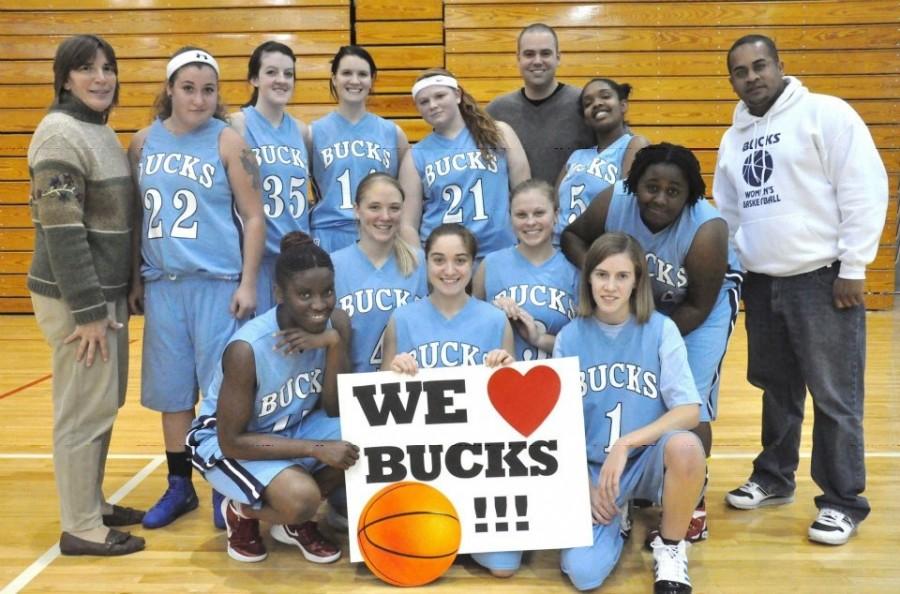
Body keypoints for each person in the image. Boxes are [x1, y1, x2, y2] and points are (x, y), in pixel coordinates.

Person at [713, 34, 888, 545]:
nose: (752, 77)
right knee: (776, 389)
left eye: (760, 66)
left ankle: (842, 501)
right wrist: (737, 272)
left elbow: (863, 187)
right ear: (732, 81)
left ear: (780, 65)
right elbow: (728, 212)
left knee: (835, 395)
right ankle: (774, 477)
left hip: (823, 280)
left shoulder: (825, 114)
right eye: (740, 71)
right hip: (763, 283)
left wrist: (855, 265)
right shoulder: (734, 138)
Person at [562, 143, 743, 544]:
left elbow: (697, 305)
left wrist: (645, 336)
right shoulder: (615, 199)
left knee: (691, 401)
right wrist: (600, 274)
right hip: (639, 299)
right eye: (651, 187)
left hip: (699, 307)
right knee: (634, 388)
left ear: (689, 194)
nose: (660, 198)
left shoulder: (707, 229)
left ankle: (692, 502)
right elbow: (573, 236)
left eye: (673, 191)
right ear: (634, 185)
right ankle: (633, 484)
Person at [128, 46, 265, 530]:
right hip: (164, 285)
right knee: (172, 393)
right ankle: (179, 484)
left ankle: (222, 486)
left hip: (218, 283)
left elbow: (253, 217)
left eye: (208, 89)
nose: (199, 97)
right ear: (169, 89)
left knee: (221, 392)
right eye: (188, 87)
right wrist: (133, 280)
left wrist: (249, 282)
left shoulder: (228, 141)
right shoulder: (143, 143)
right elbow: (136, 219)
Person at [27, 34, 145, 556]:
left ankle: (91, 503)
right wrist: (91, 312)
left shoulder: (96, 129)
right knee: (82, 409)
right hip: (79, 301)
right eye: (86, 68)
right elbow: (64, 233)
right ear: (65, 78)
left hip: (105, 297)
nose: (101, 78)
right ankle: (80, 526)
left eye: (107, 67)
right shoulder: (58, 136)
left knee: (102, 402)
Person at [187, 231, 358, 563]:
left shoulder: (335, 324)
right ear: (280, 293)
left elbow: (337, 408)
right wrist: (315, 448)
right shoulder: (247, 349)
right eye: (305, 294)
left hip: (289, 428)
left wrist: (333, 344)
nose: (319, 304)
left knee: (365, 436)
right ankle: (244, 511)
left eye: (327, 292)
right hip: (223, 444)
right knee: (301, 499)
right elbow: (232, 441)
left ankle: (291, 522)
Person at [556, 232, 704, 593]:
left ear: (637, 280)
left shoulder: (660, 330)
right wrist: (583, 485)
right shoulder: (569, 338)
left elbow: (689, 410)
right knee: (583, 573)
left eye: (622, 276)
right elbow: (558, 427)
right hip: (594, 469)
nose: (610, 286)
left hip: (644, 458)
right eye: (602, 275)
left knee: (686, 446)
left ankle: (670, 547)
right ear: (587, 278)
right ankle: (618, 513)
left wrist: (626, 444)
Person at [399, 68, 530, 260]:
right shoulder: (416, 156)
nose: (433, 105)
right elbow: (407, 224)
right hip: (446, 264)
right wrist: (421, 267)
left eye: (440, 96)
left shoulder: (499, 134)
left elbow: (525, 194)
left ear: (457, 95)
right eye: (424, 102)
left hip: (499, 254)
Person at [230, 41, 312, 314]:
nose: (281, 80)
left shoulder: (302, 132)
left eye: (288, 74)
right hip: (258, 260)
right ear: (254, 78)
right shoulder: (237, 124)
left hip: (295, 261)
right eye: (272, 72)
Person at [310, 45, 409, 253]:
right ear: (334, 78)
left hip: (379, 233)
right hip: (330, 234)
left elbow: (407, 195)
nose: (355, 81)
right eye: (346, 73)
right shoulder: (313, 133)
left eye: (362, 74)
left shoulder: (393, 133)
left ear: (372, 79)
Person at [381, 223, 514, 373]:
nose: (449, 271)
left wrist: (506, 366)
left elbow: (512, 392)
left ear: (472, 263)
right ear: (426, 262)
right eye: (439, 260)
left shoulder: (496, 320)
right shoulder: (401, 319)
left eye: (460, 260)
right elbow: (382, 389)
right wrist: (395, 371)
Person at [473, 179, 579, 362]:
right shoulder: (490, 265)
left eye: (539, 213)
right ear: (510, 218)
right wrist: (491, 312)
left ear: (556, 215)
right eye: (521, 215)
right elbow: (470, 331)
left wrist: (539, 339)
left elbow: (585, 346)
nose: (530, 222)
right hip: (501, 380)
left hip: (558, 383)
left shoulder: (574, 268)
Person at [332, 172, 427, 373]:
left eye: (394, 208)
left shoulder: (421, 262)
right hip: (354, 390)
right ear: (357, 210)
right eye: (374, 207)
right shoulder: (333, 266)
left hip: (414, 385)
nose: (385, 217)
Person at [486, 23, 595, 184]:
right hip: (516, 209)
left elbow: (620, 148)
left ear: (558, 58)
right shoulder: (496, 111)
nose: (537, 61)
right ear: (518, 59)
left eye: (545, 53)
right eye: (529, 54)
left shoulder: (585, 103)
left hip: (575, 208)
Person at [555, 77, 649, 244]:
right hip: (557, 249)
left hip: (597, 250)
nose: (597, 103)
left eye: (605, 96)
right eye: (588, 103)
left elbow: (627, 204)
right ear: (585, 118)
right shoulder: (577, 156)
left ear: (623, 106)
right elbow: (553, 205)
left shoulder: (634, 144)